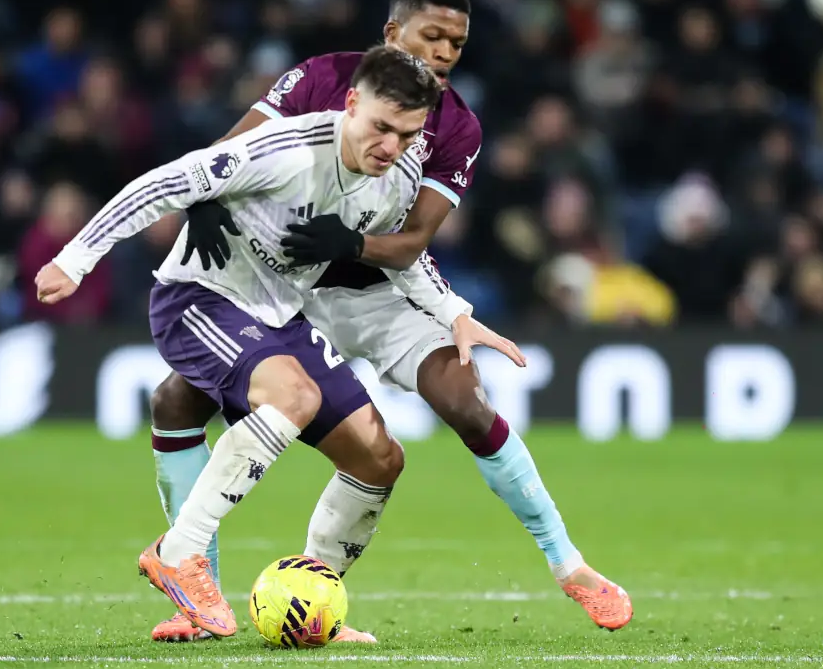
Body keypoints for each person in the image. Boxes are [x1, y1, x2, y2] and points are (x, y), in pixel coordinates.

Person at [147, 0, 633, 642]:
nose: (444, 52)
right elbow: (232, 152)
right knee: (176, 402)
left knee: (465, 399)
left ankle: (566, 563)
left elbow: (413, 243)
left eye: (457, 43)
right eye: (432, 35)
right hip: (288, 287)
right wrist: (203, 204)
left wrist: (354, 245)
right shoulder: (322, 77)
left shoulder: (458, 126)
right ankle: (194, 599)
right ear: (392, 33)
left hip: (385, 290)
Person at [34, 47, 523, 639]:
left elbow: (405, 258)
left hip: (280, 317)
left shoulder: (393, 179)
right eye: (381, 127)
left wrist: (454, 313)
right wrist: (75, 259)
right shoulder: (286, 149)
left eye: (407, 135)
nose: (391, 146)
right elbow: (164, 183)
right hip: (200, 297)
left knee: (379, 459)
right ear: (351, 104)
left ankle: (309, 606)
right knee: (293, 396)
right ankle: (179, 552)